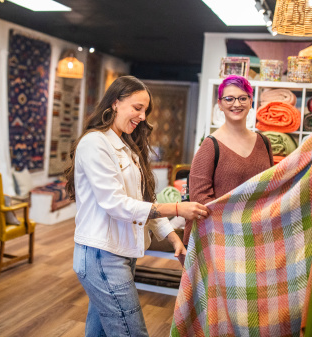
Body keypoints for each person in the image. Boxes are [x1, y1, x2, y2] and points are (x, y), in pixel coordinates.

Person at [65, 75, 210, 336]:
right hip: (101, 256)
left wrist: (172, 238)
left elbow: (143, 199)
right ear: (115, 103)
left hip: (121, 253)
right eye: (137, 108)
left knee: (99, 332)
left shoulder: (126, 147)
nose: (143, 117)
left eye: (145, 110)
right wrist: (177, 209)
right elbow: (116, 205)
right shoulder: (95, 143)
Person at [185, 75, 273, 242]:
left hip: (255, 233)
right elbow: (199, 197)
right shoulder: (211, 145)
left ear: (251, 101)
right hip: (220, 236)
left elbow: (269, 185)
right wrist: (235, 222)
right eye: (229, 99)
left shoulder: (264, 142)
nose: (237, 104)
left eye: (242, 98)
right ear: (220, 104)